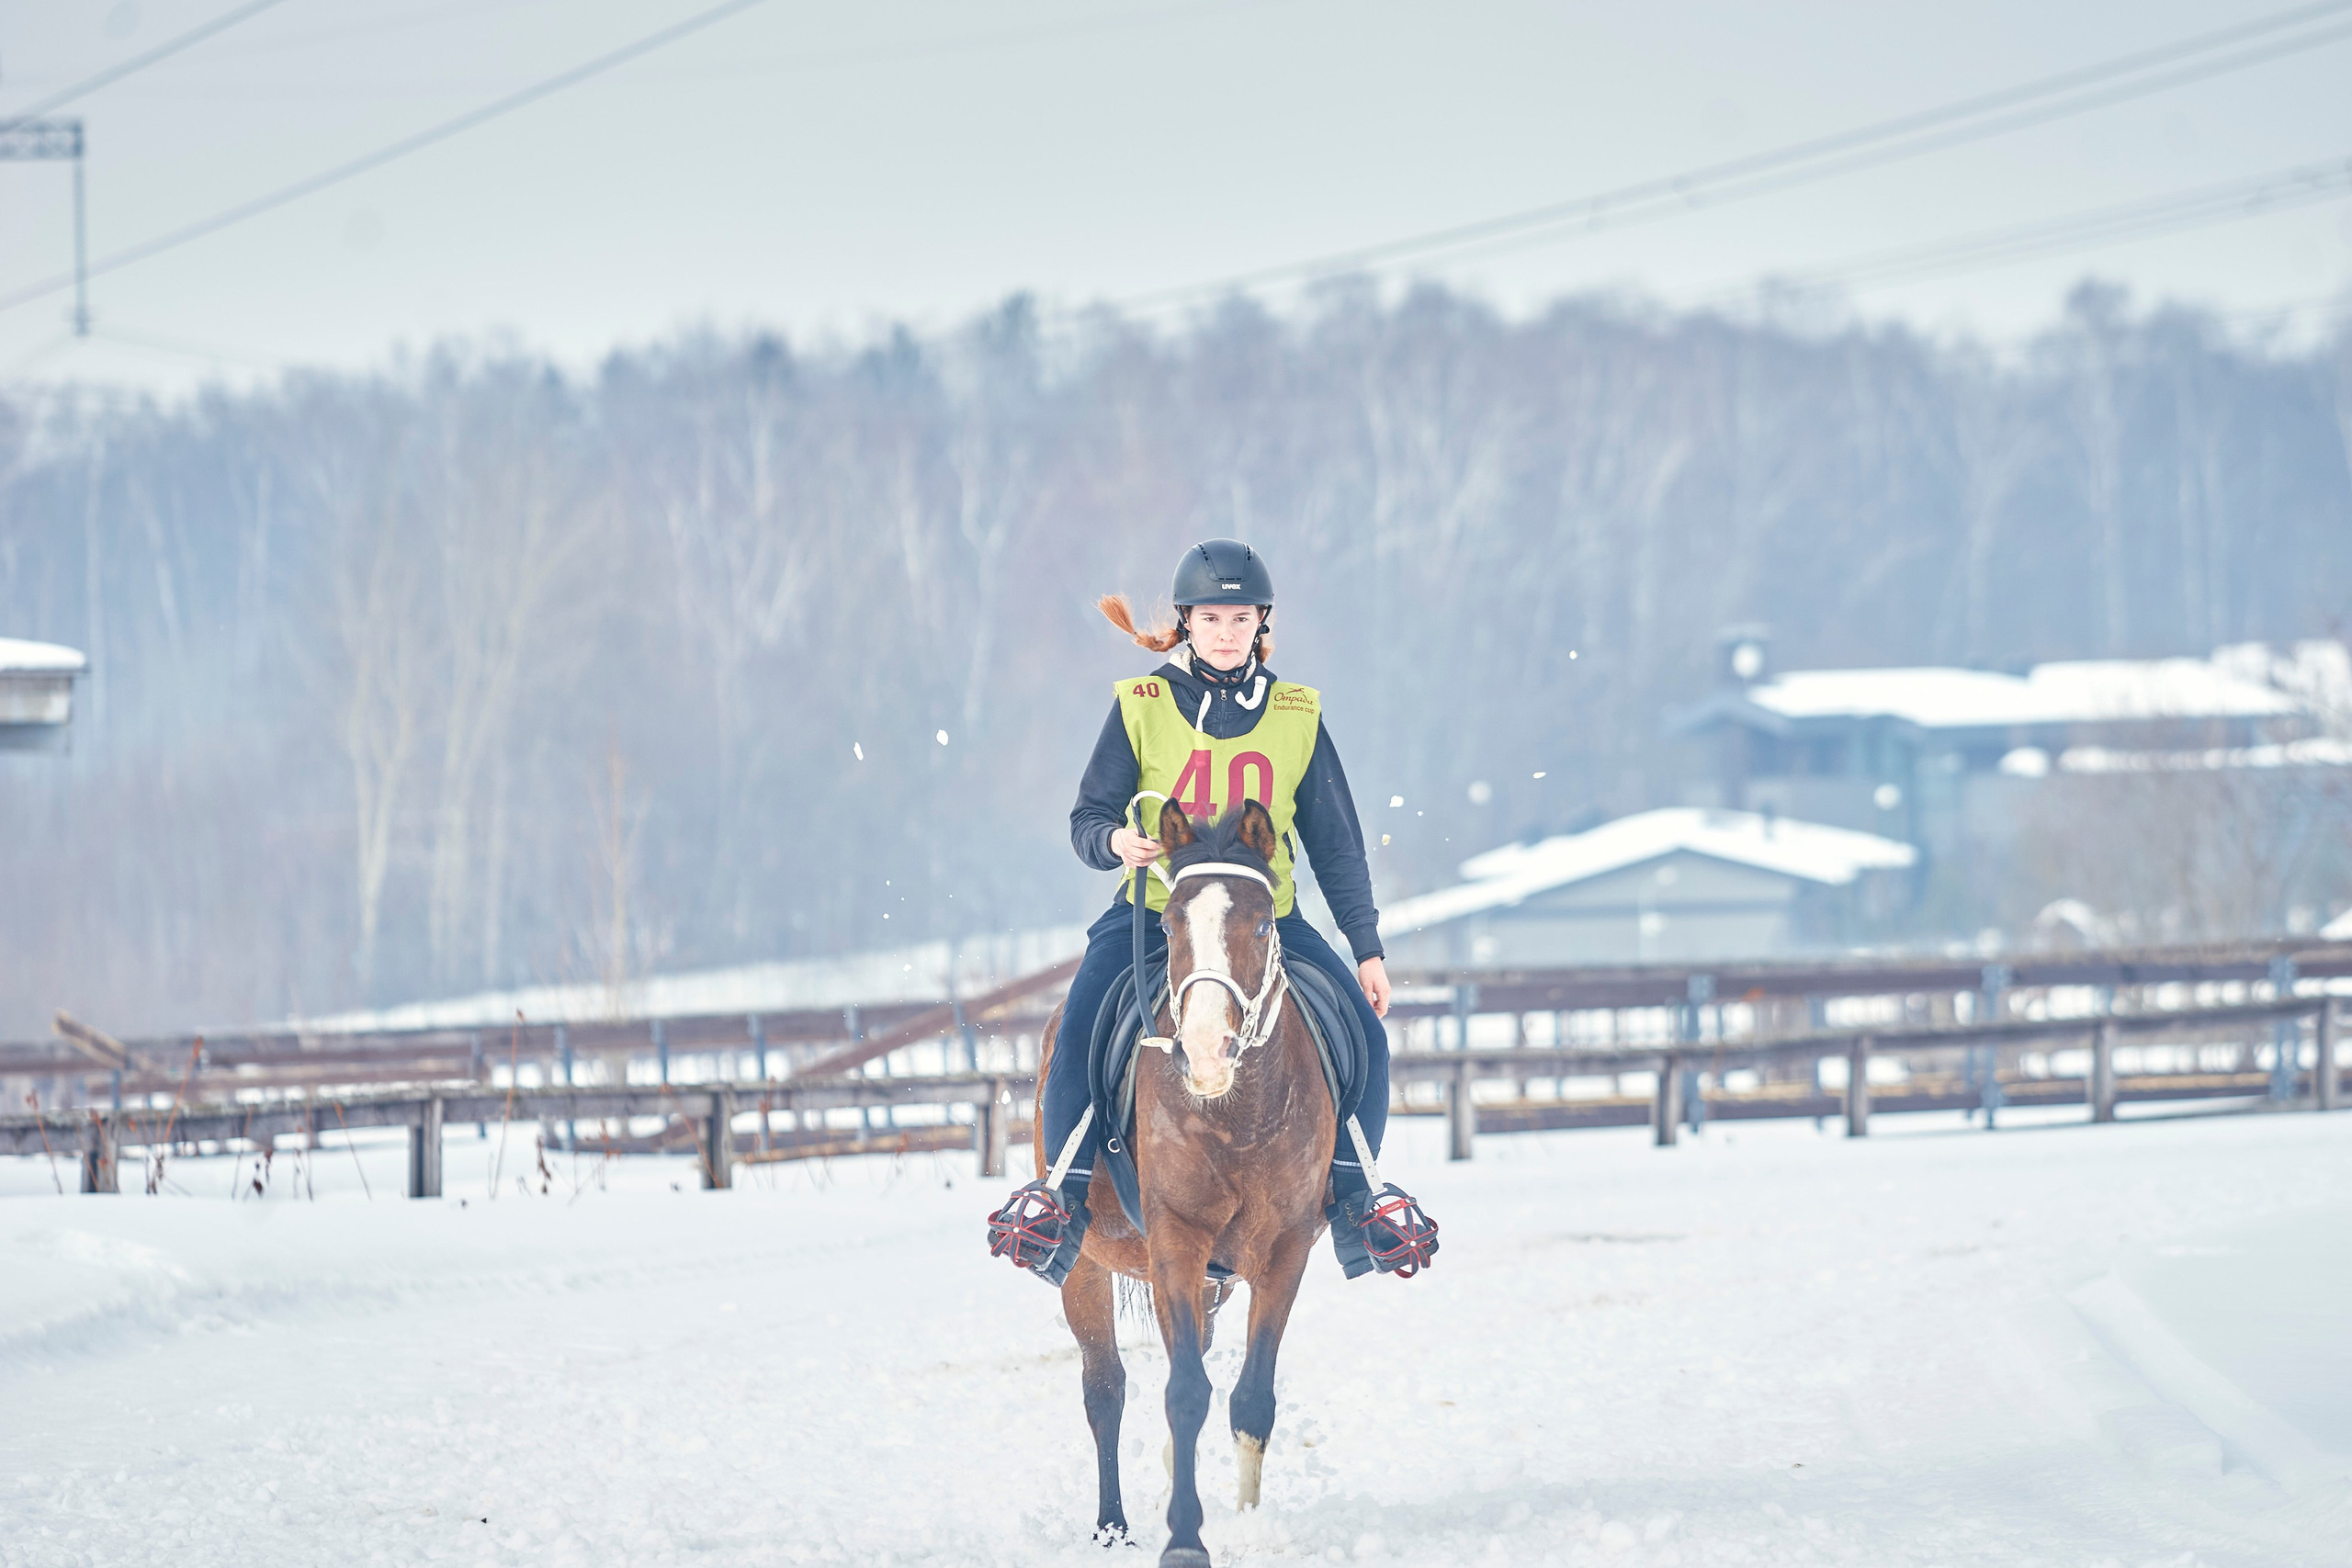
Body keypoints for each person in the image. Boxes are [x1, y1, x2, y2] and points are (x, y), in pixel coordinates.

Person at [984, 538, 1440, 1285]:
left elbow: (1336, 845)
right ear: (1185, 623)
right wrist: (1114, 840)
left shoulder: (1297, 713)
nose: (1225, 633)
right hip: (1157, 914)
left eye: (1239, 619)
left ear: (1261, 625)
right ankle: (1060, 1200)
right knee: (1076, 1034)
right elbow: (1086, 817)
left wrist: (1366, 948)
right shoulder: (1142, 703)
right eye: (1210, 618)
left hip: (1266, 926)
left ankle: (1359, 1199)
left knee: (1366, 1037)